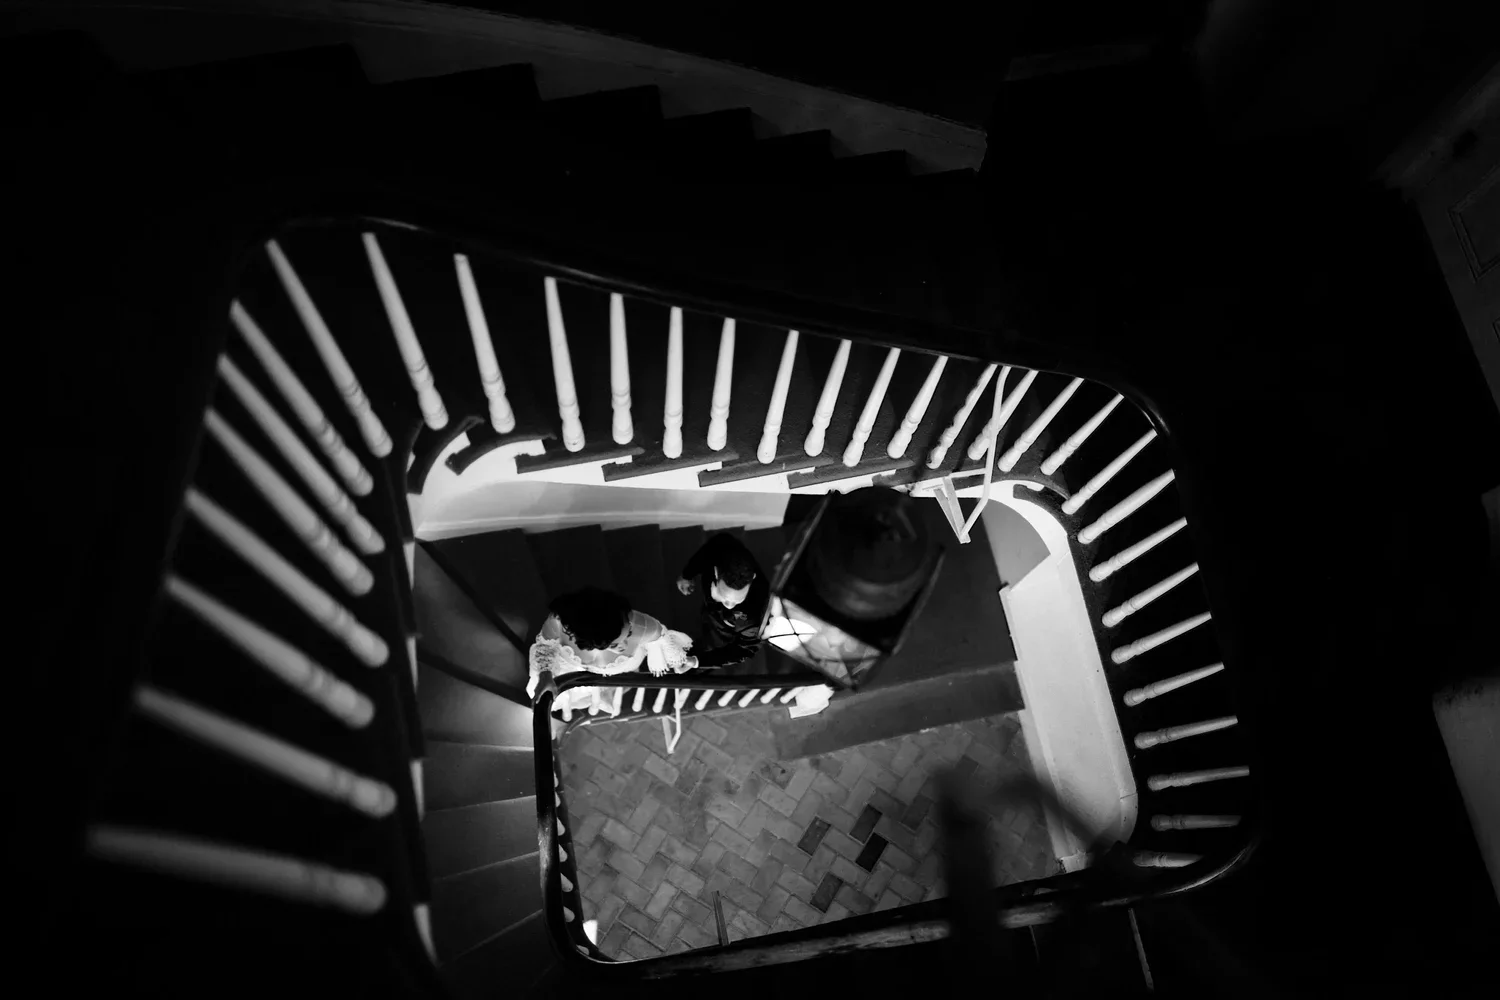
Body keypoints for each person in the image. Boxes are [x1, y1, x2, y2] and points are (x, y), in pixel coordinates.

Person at [527, 588, 698, 727]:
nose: (626, 645)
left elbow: (662, 637)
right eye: (615, 645)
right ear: (586, 641)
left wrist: (680, 661)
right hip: (567, 666)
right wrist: (545, 674)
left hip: (613, 670)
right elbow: (545, 645)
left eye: (628, 633)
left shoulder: (644, 626)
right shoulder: (558, 622)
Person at [675, 533, 769, 670]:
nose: (730, 606)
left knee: (714, 643)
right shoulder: (722, 547)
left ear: (753, 578)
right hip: (710, 611)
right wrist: (687, 574)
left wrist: (697, 662)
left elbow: (744, 649)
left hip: (729, 627)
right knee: (706, 619)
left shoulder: (755, 616)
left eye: (738, 600)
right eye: (724, 596)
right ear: (716, 572)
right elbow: (707, 552)